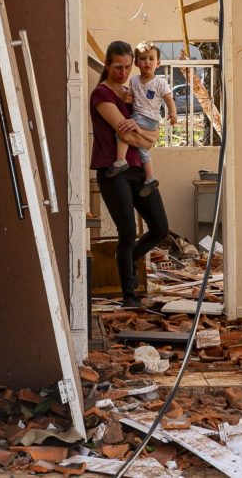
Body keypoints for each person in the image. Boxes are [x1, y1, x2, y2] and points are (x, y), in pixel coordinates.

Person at [90, 40, 170, 308]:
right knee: (126, 232)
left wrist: (145, 136)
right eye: (117, 67)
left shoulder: (132, 92)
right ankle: (129, 295)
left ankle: (125, 261)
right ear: (107, 65)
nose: (123, 72)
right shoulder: (101, 95)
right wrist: (146, 137)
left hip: (138, 169)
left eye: (127, 67)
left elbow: (151, 137)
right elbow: (125, 132)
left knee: (159, 228)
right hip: (114, 171)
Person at [106, 41, 177, 197]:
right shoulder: (134, 81)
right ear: (136, 62)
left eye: (151, 59)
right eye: (143, 59)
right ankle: (150, 178)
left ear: (158, 63)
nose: (147, 62)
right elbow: (131, 98)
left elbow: (169, 98)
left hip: (149, 118)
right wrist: (128, 98)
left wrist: (173, 113)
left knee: (123, 131)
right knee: (142, 150)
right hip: (139, 115)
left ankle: (120, 160)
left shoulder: (160, 82)